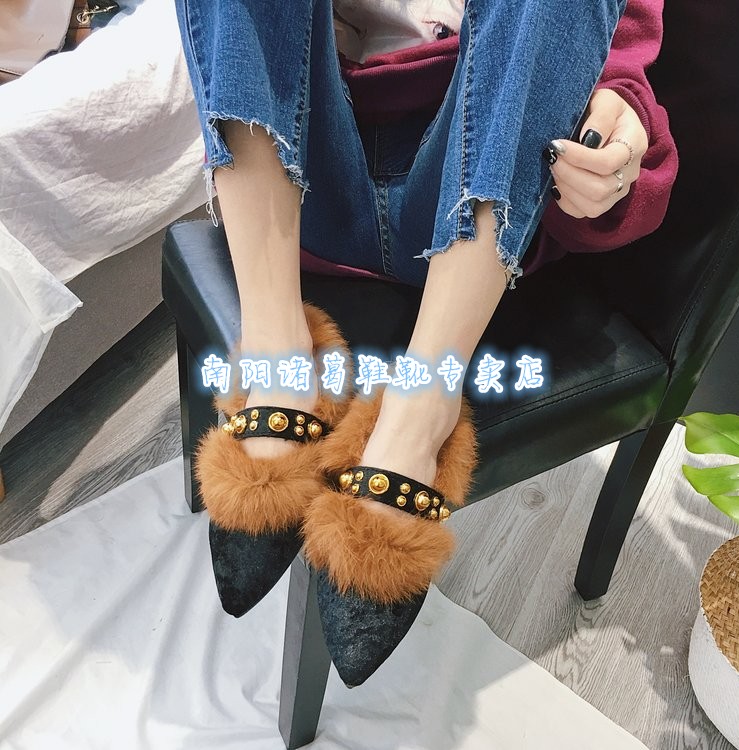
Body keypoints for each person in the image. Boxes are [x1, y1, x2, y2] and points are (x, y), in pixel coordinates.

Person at [175, 0, 678, 687]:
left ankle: (422, 405)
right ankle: (275, 352)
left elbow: (612, 67)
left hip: (477, 197)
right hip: (307, 169)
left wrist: (616, 127)